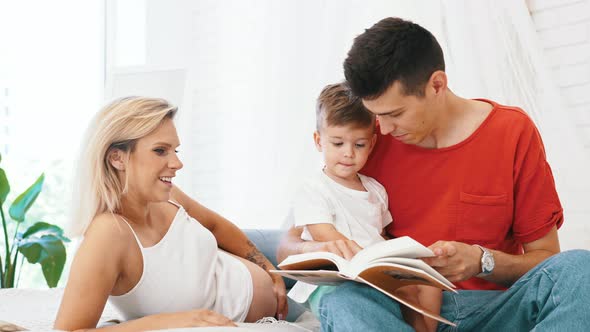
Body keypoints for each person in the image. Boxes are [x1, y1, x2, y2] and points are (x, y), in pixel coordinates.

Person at [277, 17, 590, 331]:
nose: (382, 129)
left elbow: (546, 260)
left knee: (580, 268)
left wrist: (482, 261)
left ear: (436, 85)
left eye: (394, 114)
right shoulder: (362, 142)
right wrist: (320, 250)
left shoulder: (512, 133)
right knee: (342, 301)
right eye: (376, 116)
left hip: (494, 309)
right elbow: (288, 242)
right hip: (403, 311)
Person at [54, 97, 287, 331]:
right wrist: (172, 321)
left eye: (175, 150)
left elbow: (215, 227)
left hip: (264, 270)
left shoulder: (167, 195)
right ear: (117, 158)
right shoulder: (108, 234)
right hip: (270, 308)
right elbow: (69, 330)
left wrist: (269, 269)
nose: (177, 163)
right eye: (160, 151)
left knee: (313, 246)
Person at [288, 82, 441, 332]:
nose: (348, 153)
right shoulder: (313, 188)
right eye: (338, 144)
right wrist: (362, 259)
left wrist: (397, 259)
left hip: (373, 271)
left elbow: (379, 234)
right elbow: (324, 235)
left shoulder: (375, 190)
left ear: (371, 144)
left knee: (426, 282)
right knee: (355, 298)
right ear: (319, 141)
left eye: (358, 145)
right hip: (336, 277)